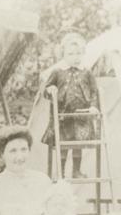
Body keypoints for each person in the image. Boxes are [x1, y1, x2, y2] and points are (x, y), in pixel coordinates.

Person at [41, 31, 100, 179]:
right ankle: (61, 172)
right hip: (63, 115)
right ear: (64, 55)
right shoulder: (58, 72)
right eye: (71, 54)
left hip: (81, 115)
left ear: (83, 54)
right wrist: (50, 89)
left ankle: (76, 171)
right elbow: (46, 91)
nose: (75, 57)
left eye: (78, 53)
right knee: (63, 144)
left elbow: (94, 91)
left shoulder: (86, 72)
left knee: (77, 144)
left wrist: (93, 106)